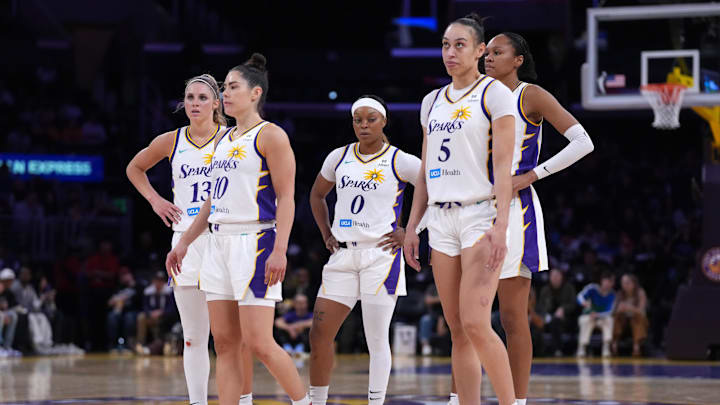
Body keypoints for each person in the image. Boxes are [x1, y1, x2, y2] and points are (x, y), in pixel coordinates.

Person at [166, 53, 310, 405]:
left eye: (232, 87)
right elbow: (211, 203)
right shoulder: (223, 139)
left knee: (259, 342)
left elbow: (287, 197)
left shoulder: (271, 136)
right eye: (224, 88)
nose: (224, 94)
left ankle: (306, 402)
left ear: (255, 93)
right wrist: (184, 242)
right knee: (226, 344)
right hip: (217, 241)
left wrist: (280, 250)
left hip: (256, 241)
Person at [404, 13, 518, 405]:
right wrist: (411, 227)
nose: (450, 53)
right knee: (457, 330)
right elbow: (424, 170)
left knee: (475, 321)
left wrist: (502, 225)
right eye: (445, 45)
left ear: (480, 49)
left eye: (459, 45)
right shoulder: (431, 101)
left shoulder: (495, 94)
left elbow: (504, 167)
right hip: (440, 217)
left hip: (479, 214)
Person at [480, 31, 594, 404]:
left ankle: (518, 401)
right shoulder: (472, 96)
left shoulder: (530, 95)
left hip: (515, 212)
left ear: (518, 60)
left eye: (498, 52)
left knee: (512, 317)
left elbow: (582, 142)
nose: (488, 58)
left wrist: (531, 175)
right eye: (486, 52)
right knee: (467, 319)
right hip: (471, 209)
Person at [128, 73, 252, 405]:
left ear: (216, 103)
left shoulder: (233, 138)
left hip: (222, 238)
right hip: (184, 241)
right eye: (189, 98)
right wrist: (156, 201)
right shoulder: (171, 140)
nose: (194, 104)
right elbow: (134, 168)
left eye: (201, 98)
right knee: (194, 338)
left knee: (230, 338)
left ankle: (242, 400)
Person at [308, 95, 421, 405]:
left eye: (371, 119)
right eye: (358, 120)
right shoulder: (338, 157)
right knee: (318, 335)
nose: (364, 125)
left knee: (376, 339)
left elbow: (435, 192)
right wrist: (326, 232)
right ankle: (316, 401)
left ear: (383, 121)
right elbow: (317, 196)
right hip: (342, 255)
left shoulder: (401, 160)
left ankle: (376, 402)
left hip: (380, 256)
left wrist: (411, 230)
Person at [537, 269, 577, 356]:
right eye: (553, 276)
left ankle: (558, 349)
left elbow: (573, 304)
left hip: (566, 318)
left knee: (557, 322)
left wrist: (563, 309)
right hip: (547, 318)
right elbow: (540, 307)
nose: (555, 278)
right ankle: (539, 351)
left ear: (561, 277)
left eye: (557, 276)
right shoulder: (545, 290)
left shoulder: (568, 288)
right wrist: (545, 315)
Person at [135, 271, 177, 354]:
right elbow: (145, 307)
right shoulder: (148, 292)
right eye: (156, 280)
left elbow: (172, 308)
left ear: (163, 282)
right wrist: (150, 313)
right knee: (141, 317)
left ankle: (159, 345)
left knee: (162, 322)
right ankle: (140, 344)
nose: (158, 283)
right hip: (151, 316)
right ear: (153, 281)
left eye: (160, 281)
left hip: (164, 317)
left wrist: (161, 312)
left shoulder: (169, 292)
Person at [576, 271, 616, 357]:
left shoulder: (612, 294)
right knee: (584, 321)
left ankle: (606, 347)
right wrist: (584, 303)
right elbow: (579, 296)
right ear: (602, 280)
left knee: (610, 320)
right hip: (589, 316)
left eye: (611, 281)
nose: (608, 284)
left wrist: (598, 314)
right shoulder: (592, 288)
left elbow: (610, 311)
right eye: (607, 281)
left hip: (602, 318)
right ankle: (582, 347)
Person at [612, 273, 648, 357]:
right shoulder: (619, 294)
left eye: (627, 282)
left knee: (638, 318)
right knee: (616, 317)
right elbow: (613, 311)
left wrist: (630, 308)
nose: (625, 285)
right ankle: (614, 345)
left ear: (634, 283)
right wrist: (619, 310)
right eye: (623, 283)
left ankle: (636, 346)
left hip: (637, 320)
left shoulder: (640, 292)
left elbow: (642, 311)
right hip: (623, 321)